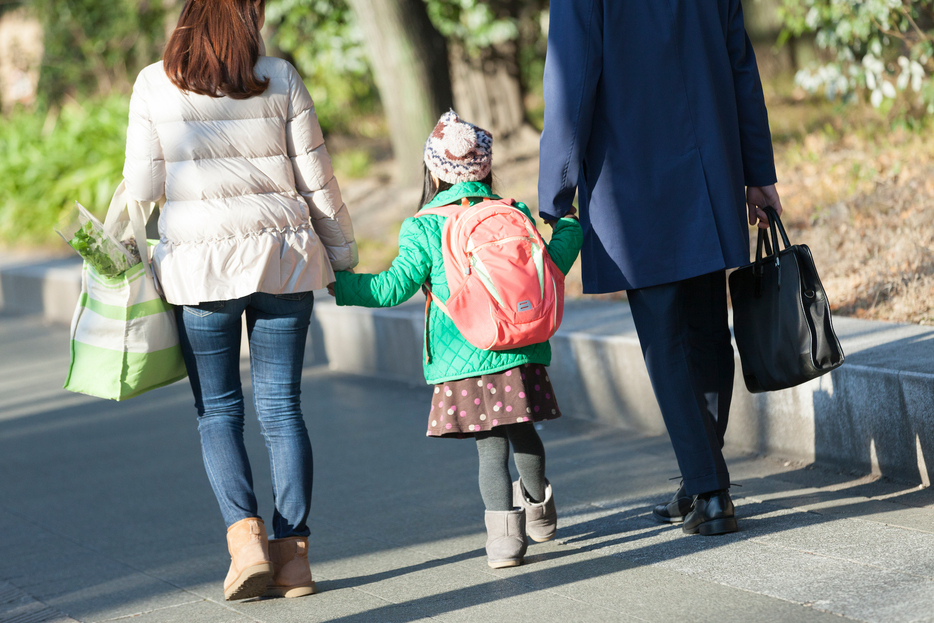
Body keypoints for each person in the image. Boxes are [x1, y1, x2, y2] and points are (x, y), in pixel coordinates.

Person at [123, 0, 357, 600]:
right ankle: (295, 559)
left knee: (219, 411)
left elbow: (144, 188)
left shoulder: (154, 83)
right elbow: (316, 177)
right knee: (282, 409)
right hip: (283, 262)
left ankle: (245, 542)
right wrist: (343, 257)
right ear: (248, 19)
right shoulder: (279, 76)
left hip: (199, 272)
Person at [538, 0, 783, 535]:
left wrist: (555, 192)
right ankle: (701, 475)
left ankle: (709, 490)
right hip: (707, 166)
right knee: (708, 331)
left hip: (631, 179)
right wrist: (758, 169)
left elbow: (571, 80)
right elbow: (740, 62)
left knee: (665, 339)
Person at [332, 111, 582, 568]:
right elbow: (551, 267)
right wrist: (569, 226)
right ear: (485, 168)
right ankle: (540, 512)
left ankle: (505, 542)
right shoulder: (512, 214)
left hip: (465, 356)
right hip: (520, 348)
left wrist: (340, 285)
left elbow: (392, 288)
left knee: (490, 447)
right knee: (524, 432)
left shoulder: (424, 226)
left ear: (433, 171)